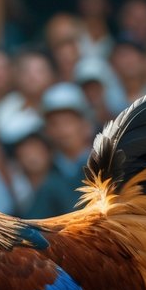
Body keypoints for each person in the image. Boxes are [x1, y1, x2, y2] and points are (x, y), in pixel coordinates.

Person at [26, 83, 93, 219]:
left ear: (85, 125)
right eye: (55, 123)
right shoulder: (46, 174)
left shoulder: (108, 165)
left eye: (68, 122)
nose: (63, 130)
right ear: (47, 131)